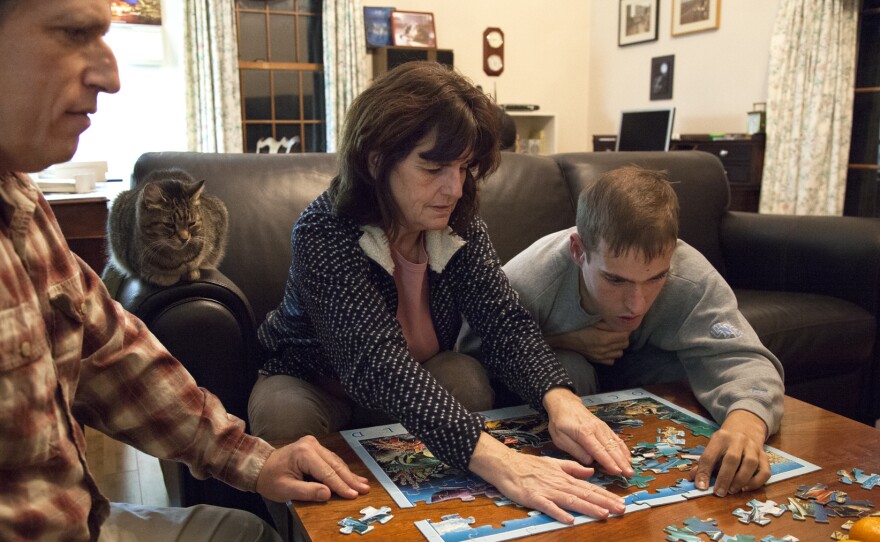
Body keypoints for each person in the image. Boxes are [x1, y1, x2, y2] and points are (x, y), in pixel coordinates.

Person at [0, 1, 369, 540]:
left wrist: (254, 460)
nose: (112, 75)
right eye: (75, 32)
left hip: (83, 515)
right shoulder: (325, 228)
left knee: (247, 532)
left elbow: (112, 354)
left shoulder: (22, 204)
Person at [249, 61, 631, 532]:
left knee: (465, 377)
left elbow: (502, 319)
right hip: (310, 379)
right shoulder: (323, 231)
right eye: (432, 167)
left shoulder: (461, 221)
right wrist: (499, 460)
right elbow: (375, 362)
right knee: (286, 423)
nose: (454, 188)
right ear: (376, 160)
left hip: (417, 379)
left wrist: (561, 400)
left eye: (465, 168)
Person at [464, 165, 785, 498]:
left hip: (641, 373)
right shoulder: (527, 282)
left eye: (655, 278)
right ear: (578, 251)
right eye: (615, 279)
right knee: (569, 367)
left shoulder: (689, 275)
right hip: (563, 389)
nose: (636, 304)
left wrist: (746, 425)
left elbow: (744, 359)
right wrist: (560, 341)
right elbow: (472, 352)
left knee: (689, 372)